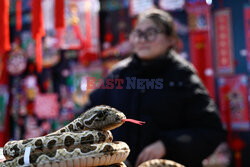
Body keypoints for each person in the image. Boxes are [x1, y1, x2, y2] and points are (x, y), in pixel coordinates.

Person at [82, 8, 225, 167]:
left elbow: (210, 131)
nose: (142, 39)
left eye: (151, 33)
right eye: (138, 33)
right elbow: (86, 117)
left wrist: (167, 144)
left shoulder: (182, 76)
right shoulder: (119, 74)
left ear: (170, 39)